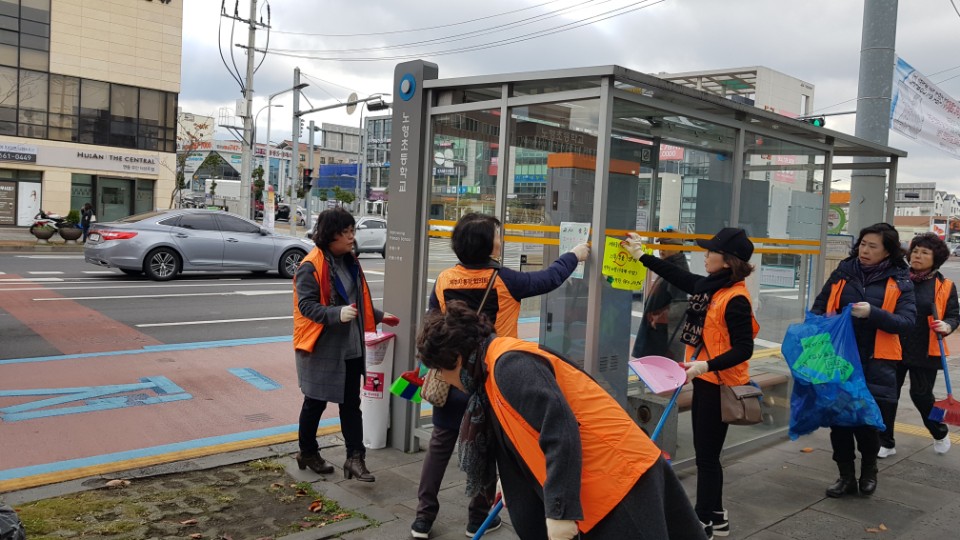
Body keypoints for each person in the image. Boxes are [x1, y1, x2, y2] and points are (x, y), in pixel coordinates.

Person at [415, 300, 707, 540]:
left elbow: (560, 429)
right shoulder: (491, 370)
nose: (445, 380)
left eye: (439, 370)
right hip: (603, 480)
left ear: (454, 358)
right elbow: (525, 431)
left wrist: (560, 511)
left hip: (620, 479)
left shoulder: (509, 365)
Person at [412, 212, 590, 539]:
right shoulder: (506, 280)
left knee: (440, 444)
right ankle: (477, 520)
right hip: (491, 379)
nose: (500, 237)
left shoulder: (444, 280)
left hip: (451, 376)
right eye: (496, 233)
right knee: (487, 446)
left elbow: (432, 323)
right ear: (485, 244)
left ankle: (423, 518)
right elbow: (550, 278)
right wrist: (574, 255)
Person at [624, 227, 758, 539]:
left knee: (707, 457)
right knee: (708, 454)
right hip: (706, 379)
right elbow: (675, 275)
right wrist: (640, 255)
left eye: (711, 251)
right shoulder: (711, 287)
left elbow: (744, 348)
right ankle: (718, 517)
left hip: (719, 382)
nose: (705, 255)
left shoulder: (734, 298)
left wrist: (705, 365)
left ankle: (703, 523)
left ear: (726, 261)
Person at [810, 223, 916, 498]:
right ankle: (845, 476)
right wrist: (823, 321)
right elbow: (819, 306)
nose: (864, 251)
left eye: (873, 246)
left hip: (875, 362)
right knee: (840, 422)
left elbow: (906, 322)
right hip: (839, 361)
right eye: (863, 244)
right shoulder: (844, 272)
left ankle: (869, 471)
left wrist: (873, 313)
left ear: (888, 252)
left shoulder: (901, 280)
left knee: (867, 423)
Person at [292, 207, 399, 482]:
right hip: (320, 345)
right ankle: (307, 452)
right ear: (330, 235)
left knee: (351, 403)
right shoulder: (310, 265)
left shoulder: (350, 261)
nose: (352, 237)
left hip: (350, 345)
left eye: (353, 231)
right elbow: (306, 306)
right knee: (314, 402)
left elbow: (356, 299)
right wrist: (335, 314)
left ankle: (355, 458)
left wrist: (378, 315)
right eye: (346, 232)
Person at [878, 232, 957, 457]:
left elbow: (953, 315)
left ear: (936, 258)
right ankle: (886, 442)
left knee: (921, 396)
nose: (917, 256)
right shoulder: (897, 278)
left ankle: (939, 431)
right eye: (915, 251)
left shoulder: (945, 285)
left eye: (924, 252)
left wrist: (948, 326)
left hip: (926, 349)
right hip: (893, 345)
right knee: (888, 395)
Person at [632, 232, 690, 360]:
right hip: (658, 335)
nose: (661, 249)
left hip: (664, 340)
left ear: (679, 248)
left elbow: (681, 305)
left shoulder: (677, 271)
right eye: (661, 244)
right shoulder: (669, 266)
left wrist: (657, 317)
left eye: (667, 244)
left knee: (661, 375)